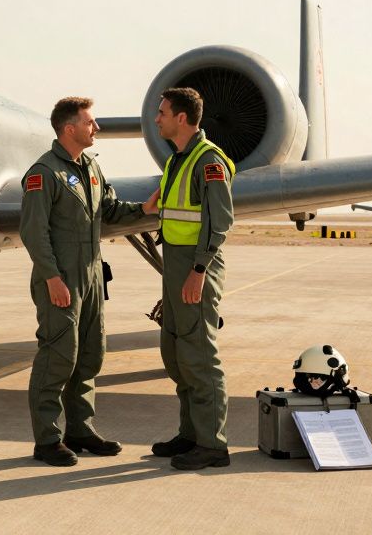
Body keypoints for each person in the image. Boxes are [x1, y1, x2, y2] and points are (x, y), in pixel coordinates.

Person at [19, 97, 159, 466]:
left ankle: (80, 430)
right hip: (61, 278)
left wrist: (143, 210)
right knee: (58, 356)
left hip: (92, 275)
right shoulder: (43, 173)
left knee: (90, 354)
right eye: (89, 122)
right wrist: (52, 278)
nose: (96, 128)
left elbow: (108, 210)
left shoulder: (91, 168)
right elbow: (34, 233)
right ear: (69, 129)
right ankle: (47, 440)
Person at [150, 86, 236, 471]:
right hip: (174, 265)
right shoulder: (177, 160)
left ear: (181, 118)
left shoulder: (209, 160)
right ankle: (190, 434)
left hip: (195, 267)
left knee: (199, 357)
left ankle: (212, 445)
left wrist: (199, 270)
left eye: (163, 113)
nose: (157, 119)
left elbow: (220, 221)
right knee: (176, 355)